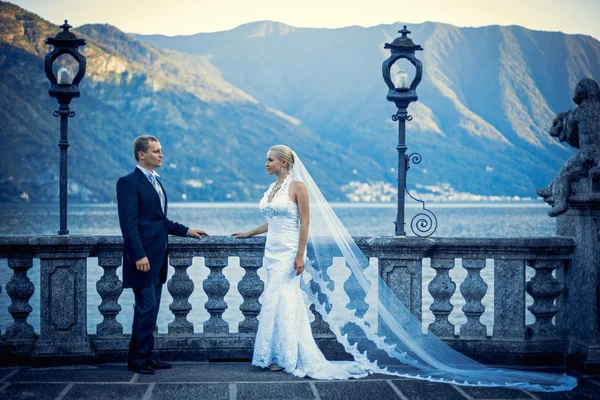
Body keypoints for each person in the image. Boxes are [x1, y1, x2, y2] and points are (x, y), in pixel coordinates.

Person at [232, 144, 577, 391]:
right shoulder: (273, 187)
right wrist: (250, 230)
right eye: (266, 159)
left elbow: (305, 222)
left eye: (270, 159)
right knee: (274, 301)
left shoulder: (298, 186)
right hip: (271, 251)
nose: (265, 162)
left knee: (286, 301)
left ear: (284, 162)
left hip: (289, 251)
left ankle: (294, 355)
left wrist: (300, 255)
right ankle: (274, 354)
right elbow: (276, 219)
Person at [117, 135, 208, 375]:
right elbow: (128, 223)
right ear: (141, 155)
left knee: (151, 310)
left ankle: (145, 357)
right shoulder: (128, 182)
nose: (161, 155)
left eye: (160, 150)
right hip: (143, 259)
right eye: (156, 151)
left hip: (158, 258)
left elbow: (159, 221)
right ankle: (137, 361)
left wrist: (186, 230)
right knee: (146, 309)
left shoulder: (156, 182)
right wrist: (138, 255)